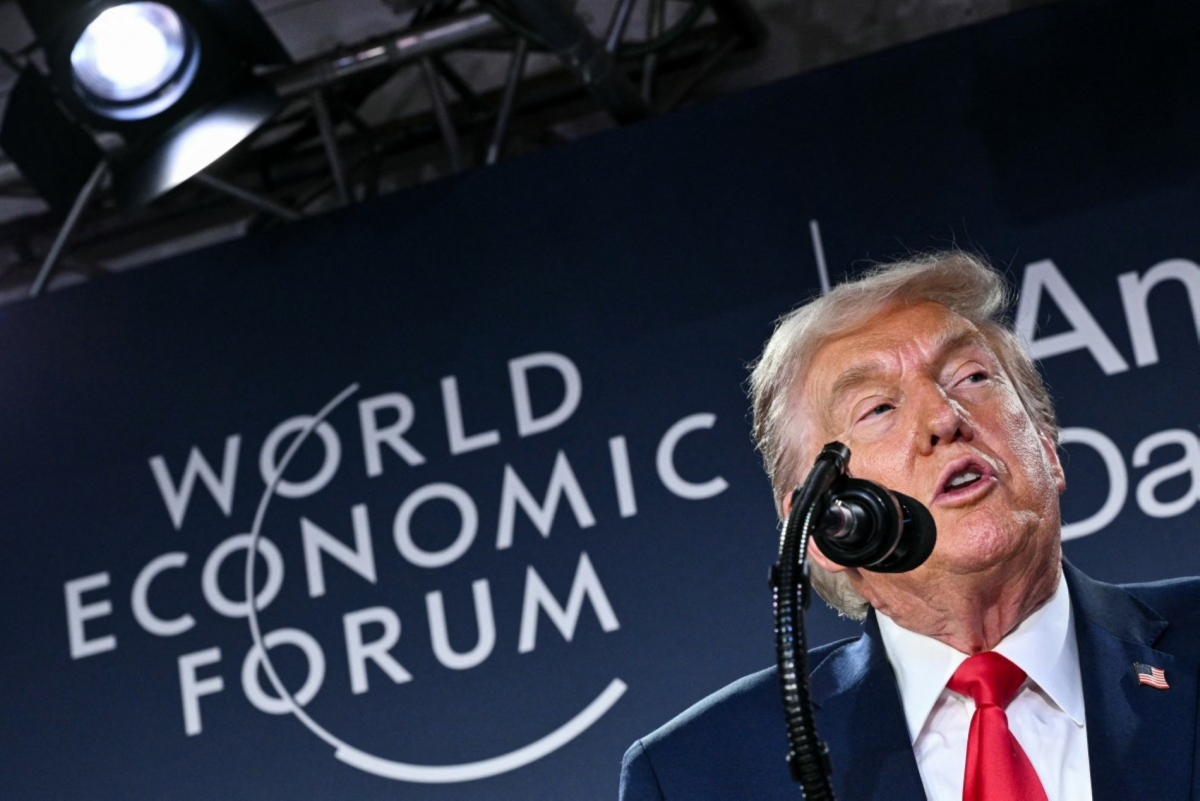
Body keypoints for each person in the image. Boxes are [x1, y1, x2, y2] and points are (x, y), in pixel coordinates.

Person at [618, 251, 1200, 800]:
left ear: (1046, 448)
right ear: (825, 523)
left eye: (972, 377)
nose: (946, 418)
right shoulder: (699, 775)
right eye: (878, 409)